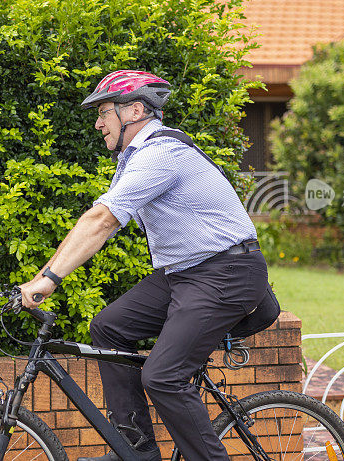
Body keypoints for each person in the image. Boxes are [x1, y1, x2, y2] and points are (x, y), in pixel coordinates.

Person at [19, 70, 279, 461]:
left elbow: (102, 220)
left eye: (104, 111)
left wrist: (50, 279)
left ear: (136, 110)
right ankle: (137, 449)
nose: (98, 122)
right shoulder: (136, 158)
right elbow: (94, 221)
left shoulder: (161, 154)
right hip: (185, 273)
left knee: (163, 377)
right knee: (109, 327)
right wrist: (42, 277)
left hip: (227, 271)